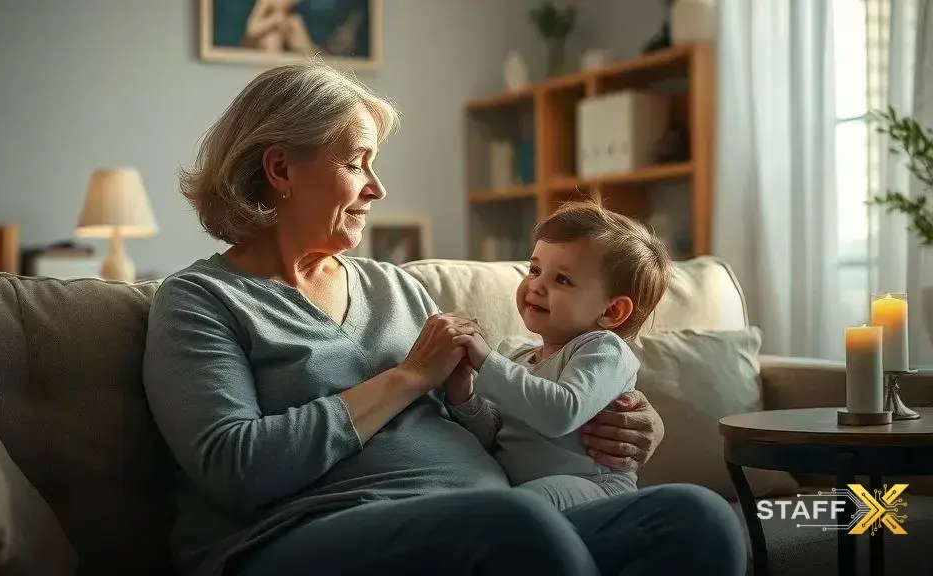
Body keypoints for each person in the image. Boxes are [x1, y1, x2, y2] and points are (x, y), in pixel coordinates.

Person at [141, 59, 747, 576]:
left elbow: (486, 420)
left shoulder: (394, 287)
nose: (376, 188)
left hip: (493, 517)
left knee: (698, 517)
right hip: (300, 534)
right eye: (358, 162)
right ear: (280, 170)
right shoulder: (201, 300)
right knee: (517, 523)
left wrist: (624, 426)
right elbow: (235, 466)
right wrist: (405, 378)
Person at [446, 199, 673, 512]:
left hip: (594, 489)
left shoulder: (605, 350)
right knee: (506, 506)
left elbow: (560, 413)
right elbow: (493, 434)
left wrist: (486, 362)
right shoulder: (513, 354)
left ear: (612, 311)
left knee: (519, 506)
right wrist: (463, 395)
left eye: (562, 279)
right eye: (535, 269)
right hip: (526, 490)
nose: (536, 286)